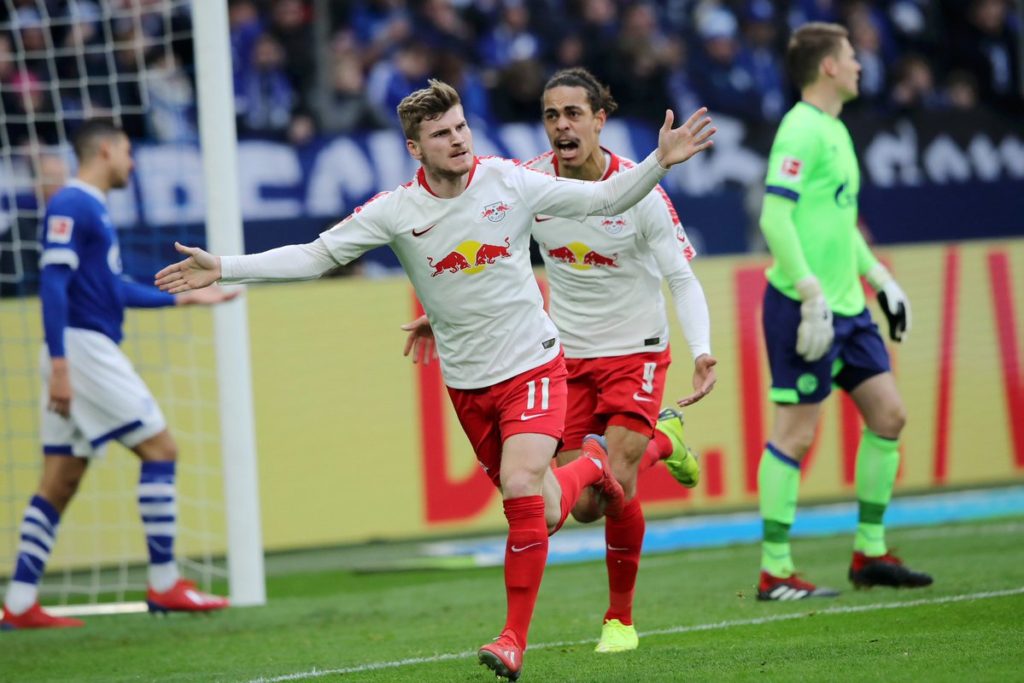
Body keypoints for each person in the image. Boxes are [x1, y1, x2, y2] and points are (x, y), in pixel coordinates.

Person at [154, 80, 715, 680]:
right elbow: (317, 256)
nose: (458, 140)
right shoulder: (396, 210)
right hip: (469, 383)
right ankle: (600, 462)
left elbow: (605, 199)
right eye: (442, 133)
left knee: (521, 487)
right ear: (415, 149)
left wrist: (659, 162)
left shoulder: (508, 181)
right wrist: (225, 266)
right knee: (551, 509)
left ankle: (513, 639)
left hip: (535, 363)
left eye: (461, 127)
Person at [1, 120, 235, 630]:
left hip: (77, 348)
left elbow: (111, 288)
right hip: (82, 350)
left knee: (61, 479)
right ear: (105, 150)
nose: (133, 162)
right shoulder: (72, 203)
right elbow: (52, 284)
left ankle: (17, 603)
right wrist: (61, 364)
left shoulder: (91, 208)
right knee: (161, 449)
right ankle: (165, 583)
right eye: (128, 151)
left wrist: (184, 299)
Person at [529, 67, 715, 652]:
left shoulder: (642, 191)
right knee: (585, 505)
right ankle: (666, 440)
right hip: (566, 358)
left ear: (599, 120)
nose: (562, 125)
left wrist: (702, 350)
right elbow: (488, 251)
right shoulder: (529, 186)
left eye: (573, 114)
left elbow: (680, 278)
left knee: (619, 479)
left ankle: (620, 620)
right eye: (552, 115)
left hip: (636, 353)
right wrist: (443, 311)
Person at [755, 23, 933, 601]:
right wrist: (809, 293)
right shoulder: (800, 129)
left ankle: (870, 553)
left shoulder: (835, 129)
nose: (860, 65)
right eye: (851, 56)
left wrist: (881, 280)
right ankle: (775, 570)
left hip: (849, 310)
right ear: (828, 66)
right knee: (795, 434)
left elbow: (839, 222)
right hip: (802, 305)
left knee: (890, 416)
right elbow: (774, 219)